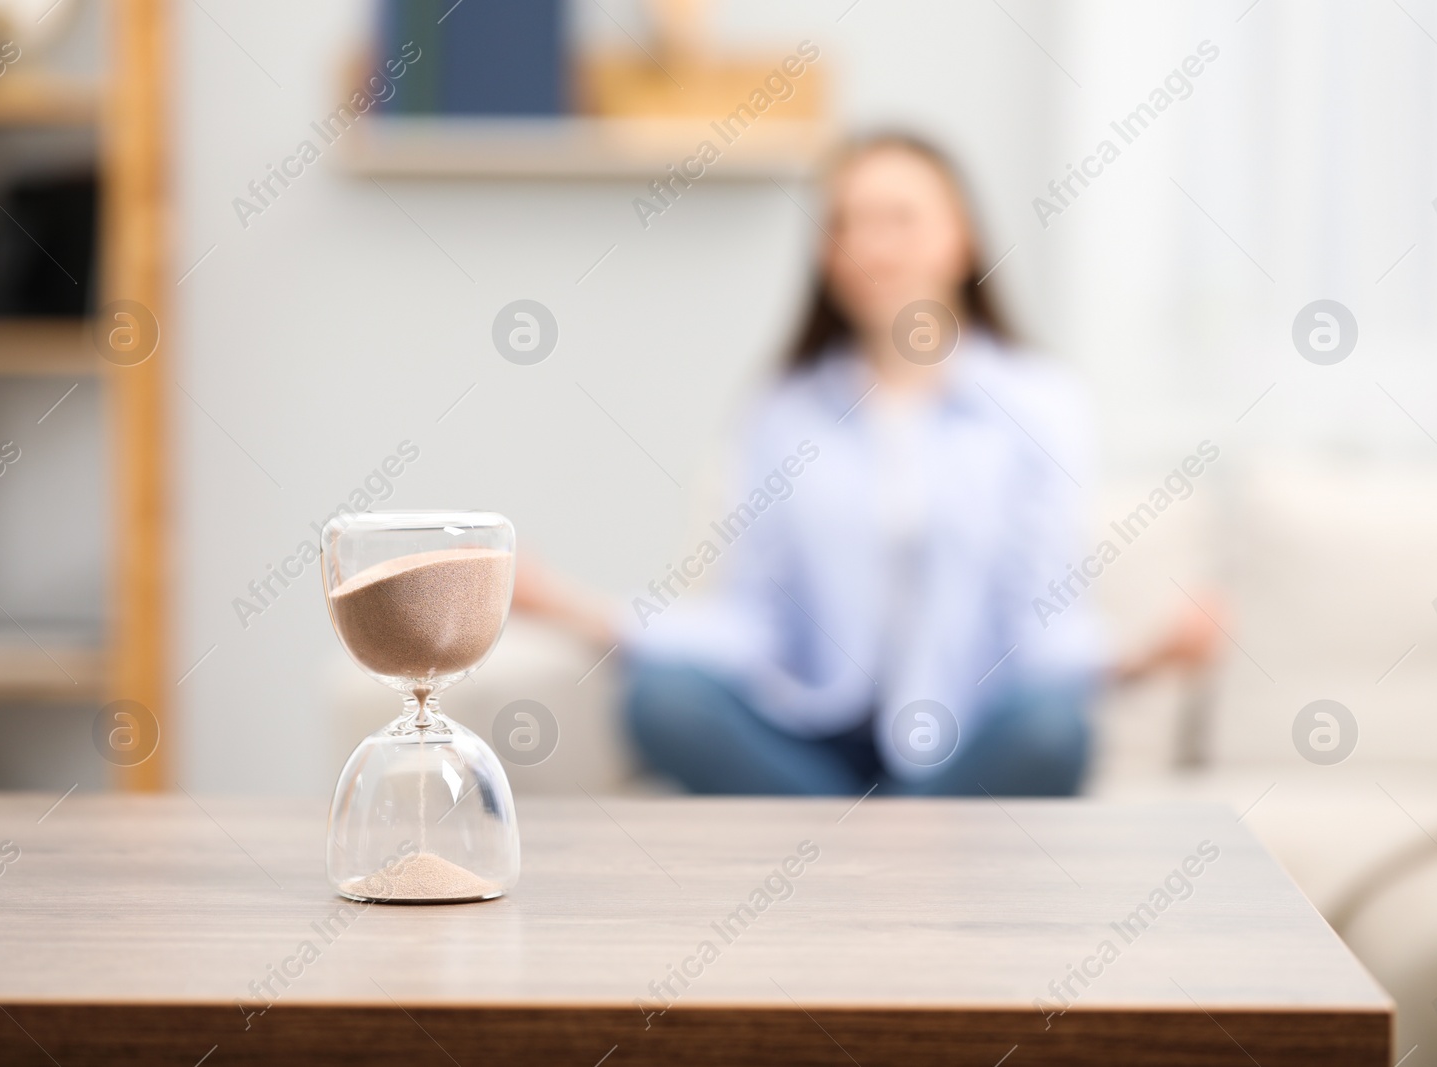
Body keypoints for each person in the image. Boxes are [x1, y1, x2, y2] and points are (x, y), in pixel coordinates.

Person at [513, 134, 1216, 796]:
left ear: (962, 237)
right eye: (845, 224)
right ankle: (905, 856)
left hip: (970, 736)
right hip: (821, 732)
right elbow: (754, 618)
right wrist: (575, 608)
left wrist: (1143, 657)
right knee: (663, 700)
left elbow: (1038, 620)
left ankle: (857, 852)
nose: (868, 246)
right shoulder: (783, 408)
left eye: (899, 219)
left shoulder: (1039, 402)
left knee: (1052, 729)